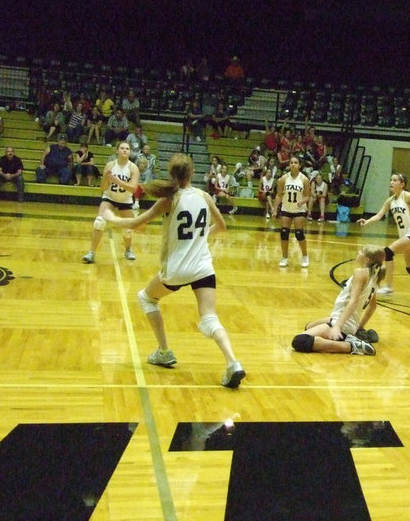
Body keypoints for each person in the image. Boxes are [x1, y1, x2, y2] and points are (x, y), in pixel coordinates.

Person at [100, 152, 245, 388]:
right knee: (209, 319)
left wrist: (109, 217)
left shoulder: (169, 200)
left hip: (176, 270)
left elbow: (135, 224)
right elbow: (221, 226)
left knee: (145, 299)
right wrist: (199, 239)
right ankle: (233, 363)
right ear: (192, 173)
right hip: (203, 267)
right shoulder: (204, 195)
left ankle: (164, 351)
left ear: (172, 173)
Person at [290, 245, 385, 356]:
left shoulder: (360, 273)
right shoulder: (374, 276)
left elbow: (353, 301)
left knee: (300, 341)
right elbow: (372, 306)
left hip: (342, 324)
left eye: (361, 251)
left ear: (367, 259)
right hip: (348, 324)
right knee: (309, 326)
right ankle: (352, 336)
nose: (358, 252)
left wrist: (337, 327)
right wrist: (359, 327)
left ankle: (351, 346)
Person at [81, 141, 141, 263]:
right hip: (110, 197)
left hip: (125, 199)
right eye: (122, 148)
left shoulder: (133, 168)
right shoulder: (110, 166)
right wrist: (107, 180)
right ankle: (91, 252)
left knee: (128, 228)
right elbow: (103, 188)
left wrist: (117, 181)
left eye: (127, 149)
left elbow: (134, 188)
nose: (125, 150)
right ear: (117, 151)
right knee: (99, 222)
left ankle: (128, 250)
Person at [272, 155, 310, 268]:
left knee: (299, 234)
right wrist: (275, 210)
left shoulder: (304, 179)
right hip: (286, 209)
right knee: (284, 233)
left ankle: (305, 256)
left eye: (296, 162)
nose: (293, 164)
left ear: (300, 165)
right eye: (291, 162)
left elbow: (308, 196)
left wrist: (302, 202)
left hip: (299, 210)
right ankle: (284, 257)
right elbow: (279, 195)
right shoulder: (283, 179)